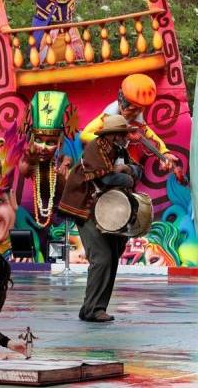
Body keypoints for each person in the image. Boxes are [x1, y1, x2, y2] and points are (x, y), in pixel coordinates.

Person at [59, 115, 143, 322]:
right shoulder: (96, 148)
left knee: (112, 257)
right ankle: (92, 310)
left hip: (107, 211)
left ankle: (93, 307)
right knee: (102, 258)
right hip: (87, 210)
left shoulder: (119, 150)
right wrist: (127, 176)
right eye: (123, 134)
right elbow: (107, 178)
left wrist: (128, 170)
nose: (126, 137)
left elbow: (136, 171)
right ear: (113, 135)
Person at [80, 74, 178, 171]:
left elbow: (151, 136)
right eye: (132, 109)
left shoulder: (137, 120)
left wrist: (164, 153)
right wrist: (112, 141)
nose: (135, 113)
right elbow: (84, 135)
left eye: (140, 110)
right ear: (121, 103)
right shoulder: (108, 116)